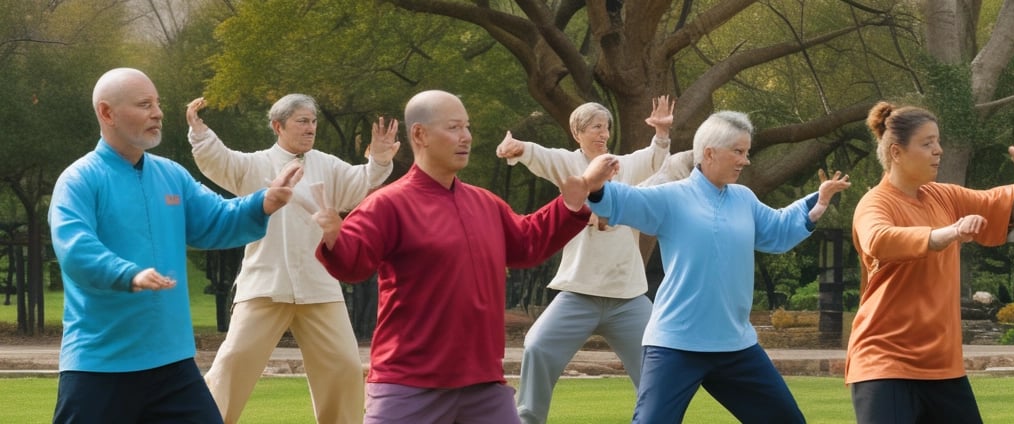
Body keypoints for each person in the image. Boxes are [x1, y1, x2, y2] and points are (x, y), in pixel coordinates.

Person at [313, 90, 593, 424]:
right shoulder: (388, 204)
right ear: (420, 134)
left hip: (483, 386)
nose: (466, 137)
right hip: (409, 385)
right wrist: (333, 236)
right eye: (454, 127)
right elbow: (353, 264)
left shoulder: (485, 203)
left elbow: (527, 243)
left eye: (467, 127)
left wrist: (569, 206)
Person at [48, 67, 303, 423]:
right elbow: (75, 249)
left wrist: (263, 203)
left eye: (157, 103)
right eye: (144, 104)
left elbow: (216, 219)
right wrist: (129, 274)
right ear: (107, 113)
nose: (158, 113)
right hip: (99, 366)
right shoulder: (79, 180)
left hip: (173, 365)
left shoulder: (171, 175)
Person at [576, 110, 850, 423]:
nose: (745, 160)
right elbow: (625, 201)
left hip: (735, 346)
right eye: (738, 151)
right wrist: (596, 186)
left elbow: (777, 231)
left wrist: (819, 203)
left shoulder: (744, 199)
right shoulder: (672, 197)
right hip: (675, 345)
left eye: (746, 152)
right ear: (709, 153)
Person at [185, 94, 399, 424]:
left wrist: (380, 161)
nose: (310, 127)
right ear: (277, 126)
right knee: (234, 362)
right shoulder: (254, 164)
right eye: (302, 121)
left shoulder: (327, 164)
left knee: (343, 367)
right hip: (264, 284)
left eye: (313, 121)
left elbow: (360, 184)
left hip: (320, 286)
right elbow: (220, 161)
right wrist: (201, 133)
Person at [495, 96, 673, 424]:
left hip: (628, 298)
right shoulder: (568, 163)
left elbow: (652, 159)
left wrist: (661, 134)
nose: (603, 133)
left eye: (606, 127)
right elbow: (539, 155)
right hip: (579, 294)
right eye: (595, 127)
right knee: (537, 346)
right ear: (578, 132)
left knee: (659, 360)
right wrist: (516, 148)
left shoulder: (621, 165)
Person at [847, 101, 1014, 423]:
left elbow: (1006, 206)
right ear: (897, 153)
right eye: (927, 144)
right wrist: (944, 234)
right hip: (885, 362)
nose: (938, 151)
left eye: (938, 142)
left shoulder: (943, 196)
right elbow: (878, 239)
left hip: (942, 366)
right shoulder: (874, 203)